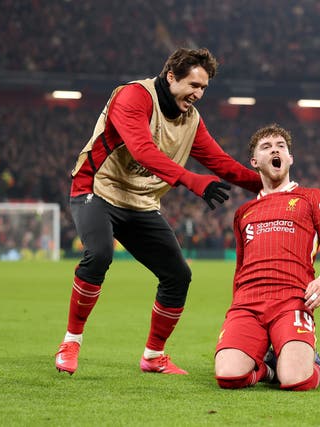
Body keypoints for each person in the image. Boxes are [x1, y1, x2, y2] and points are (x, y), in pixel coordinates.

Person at [55, 48, 262, 375]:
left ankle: (153, 356)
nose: (198, 94)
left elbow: (221, 163)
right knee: (99, 255)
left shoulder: (190, 120)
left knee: (178, 275)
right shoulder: (134, 97)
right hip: (97, 188)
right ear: (170, 77)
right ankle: (71, 341)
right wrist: (194, 181)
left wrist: (270, 185)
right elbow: (143, 150)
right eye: (193, 84)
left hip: (141, 204)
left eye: (204, 88)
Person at [214, 124, 320, 391]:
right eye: (266, 147)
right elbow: (240, 269)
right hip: (248, 303)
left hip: (292, 300)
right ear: (255, 162)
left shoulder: (312, 198)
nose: (275, 149)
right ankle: (268, 368)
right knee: (228, 377)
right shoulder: (244, 212)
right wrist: (235, 306)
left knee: (298, 380)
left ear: (290, 158)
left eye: (281, 146)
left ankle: (314, 364)